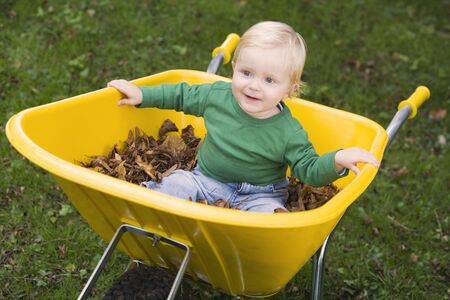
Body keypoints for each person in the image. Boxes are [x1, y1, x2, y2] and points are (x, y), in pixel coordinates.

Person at [107, 21, 379, 213]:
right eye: (247, 73)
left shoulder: (289, 131)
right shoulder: (218, 96)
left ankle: (246, 253)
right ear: (234, 67)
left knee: (271, 221)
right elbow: (181, 95)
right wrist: (143, 95)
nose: (253, 85)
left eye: (269, 80)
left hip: (260, 194)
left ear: (290, 89)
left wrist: (337, 160)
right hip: (206, 180)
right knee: (176, 184)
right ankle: (156, 230)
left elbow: (307, 169)